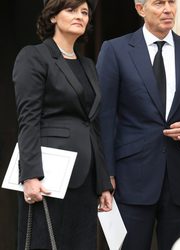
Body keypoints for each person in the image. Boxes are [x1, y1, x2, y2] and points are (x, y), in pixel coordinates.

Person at [96, 0, 180, 249]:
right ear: (140, 9)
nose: (167, 9)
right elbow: (103, 117)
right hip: (131, 179)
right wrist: (105, 175)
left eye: (171, 2)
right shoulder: (115, 50)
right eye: (159, 3)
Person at [13, 0, 113, 249]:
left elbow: (93, 125)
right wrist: (31, 175)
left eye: (84, 12)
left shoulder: (88, 65)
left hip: (85, 177)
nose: (80, 15)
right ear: (53, 17)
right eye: (71, 9)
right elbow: (28, 119)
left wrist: (103, 184)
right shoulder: (34, 55)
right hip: (49, 175)